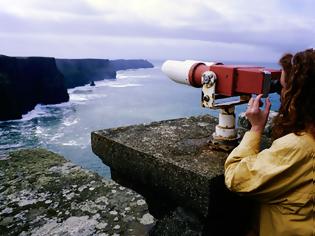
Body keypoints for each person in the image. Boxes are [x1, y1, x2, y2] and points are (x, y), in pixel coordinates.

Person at [224, 48, 315, 236]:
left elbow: (235, 178)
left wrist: (256, 128)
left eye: (283, 88)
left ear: (300, 96)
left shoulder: (299, 147)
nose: (281, 94)